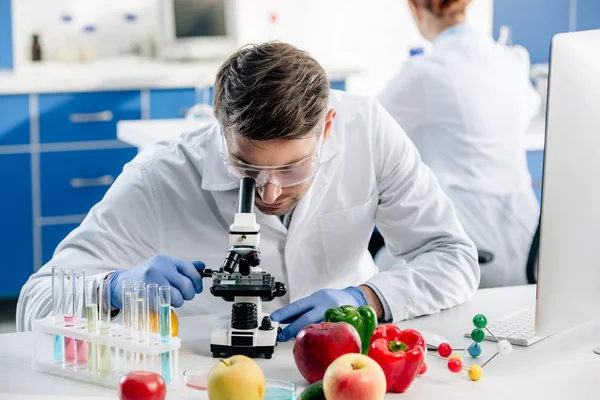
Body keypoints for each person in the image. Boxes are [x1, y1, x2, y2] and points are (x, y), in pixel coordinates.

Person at [17, 42, 479, 342]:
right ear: (219, 125)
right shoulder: (160, 176)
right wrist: (115, 289)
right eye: (246, 167)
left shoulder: (370, 130)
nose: (271, 191)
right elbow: (34, 300)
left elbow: (452, 256)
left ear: (328, 128)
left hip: (345, 364)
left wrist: (367, 299)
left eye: (293, 167)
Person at [376, 0, 541, 288]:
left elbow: (370, 124)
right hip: (530, 249)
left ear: (415, 9)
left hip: (468, 254)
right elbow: (529, 107)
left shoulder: (424, 73)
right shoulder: (511, 59)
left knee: (375, 266)